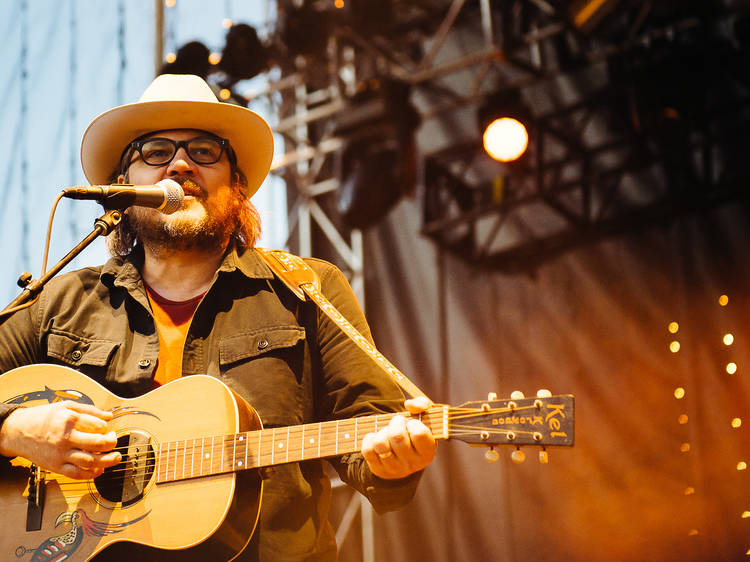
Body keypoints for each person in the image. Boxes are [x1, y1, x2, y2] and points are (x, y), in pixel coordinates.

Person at [0, 74, 436, 560]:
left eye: (205, 151)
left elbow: (370, 433)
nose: (181, 164)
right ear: (122, 186)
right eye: (155, 151)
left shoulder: (307, 289)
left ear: (236, 186)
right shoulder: (62, 301)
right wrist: (13, 431)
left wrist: (394, 463)